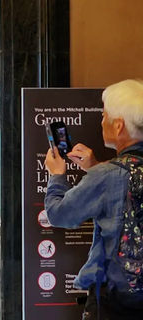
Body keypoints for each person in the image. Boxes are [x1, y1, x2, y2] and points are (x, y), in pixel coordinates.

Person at [44, 79, 143, 319]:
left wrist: (57, 176)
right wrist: (95, 166)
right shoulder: (108, 173)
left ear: (119, 126)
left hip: (115, 300)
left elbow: (60, 214)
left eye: (104, 115)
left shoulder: (107, 175)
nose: (101, 121)